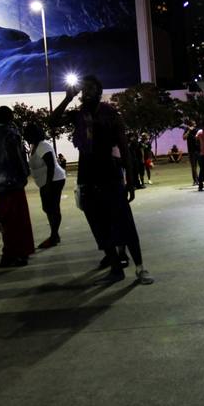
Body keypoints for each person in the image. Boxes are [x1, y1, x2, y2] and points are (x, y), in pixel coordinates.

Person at [50, 75, 153, 284]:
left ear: (99, 92)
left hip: (110, 174)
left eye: (91, 88)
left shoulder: (111, 115)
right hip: (87, 176)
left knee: (124, 222)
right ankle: (116, 267)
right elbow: (51, 122)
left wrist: (131, 179)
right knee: (99, 225)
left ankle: (140, 268)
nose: (87, 92)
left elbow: (124, 147)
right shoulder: (79, 115)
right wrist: (67, 98)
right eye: (84, 88)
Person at [0, 106, 35, 268]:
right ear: (10, 117)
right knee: (19, 219)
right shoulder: (12, 133)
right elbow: (18, 157)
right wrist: (24, 174)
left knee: (5, 220)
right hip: (13, 182)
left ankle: (8, 253)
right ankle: (21, 253)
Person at [25, 124, 67, 248]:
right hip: (46, 182)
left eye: (27, 134)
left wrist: (48, 185)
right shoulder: (34, 146)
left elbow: (51, 165)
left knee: (53, 208)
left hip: (54, 180)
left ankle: (54, 236)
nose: (25, 136)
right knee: (48, 208)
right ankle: (55, 235)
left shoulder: (43, 145)